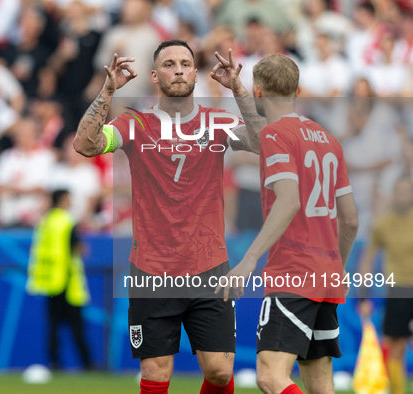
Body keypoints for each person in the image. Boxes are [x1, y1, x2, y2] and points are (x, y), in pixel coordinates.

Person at [73, 39, 260, 394]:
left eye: (185, 63)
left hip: (209, 265)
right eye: (170, 64)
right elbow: (84, 144)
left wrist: (238, 87)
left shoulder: (217, 122)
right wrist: (108, 90)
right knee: (156, 372)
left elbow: (266, 142)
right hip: (151, 269)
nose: (178, 70)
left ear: (195, 73)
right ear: (156, 76)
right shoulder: (134, 124)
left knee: (219, 371)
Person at [214, 52, 359, 394]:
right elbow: (350, 220)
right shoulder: (329, 141)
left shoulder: (277, 136)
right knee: (320, 383)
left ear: (259, 91)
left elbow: (290, 200)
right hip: (325, 276)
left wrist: (249, 259)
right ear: (298, 89)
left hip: (293, 272)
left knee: (269, 376)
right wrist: (338, 267)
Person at [26, 189, 92, 370]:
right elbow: (78, 248)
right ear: (63, 200)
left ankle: (54, 363)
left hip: (50, 281)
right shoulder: (66, 221)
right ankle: (88, 365)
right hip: (67, 281)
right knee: (77, 327)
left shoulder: (46, 222)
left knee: (53, 327)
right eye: (69, 198)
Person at [358, 177, 413, 394]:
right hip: (398, 288)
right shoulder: (383, 223)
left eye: (407, 191)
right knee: (394, 346)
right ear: (394, 194)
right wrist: (363, 295)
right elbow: (368, 259)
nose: (403, 195)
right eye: (399, 191)